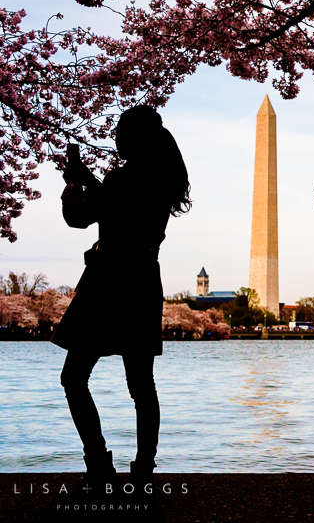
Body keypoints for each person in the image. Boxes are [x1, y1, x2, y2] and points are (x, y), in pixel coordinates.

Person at [52, 105, 191, 496]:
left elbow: (82, 217)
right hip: (144, 280)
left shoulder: (124, 179)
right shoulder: (162, 179)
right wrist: (88, 179)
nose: (114, 137)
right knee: (142, 384)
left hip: (108, 282)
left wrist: (71, 190)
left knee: (74, 378)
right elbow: (115, 205)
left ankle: (98, 466)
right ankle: (144, 471)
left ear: (133, 138)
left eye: (119, 131)